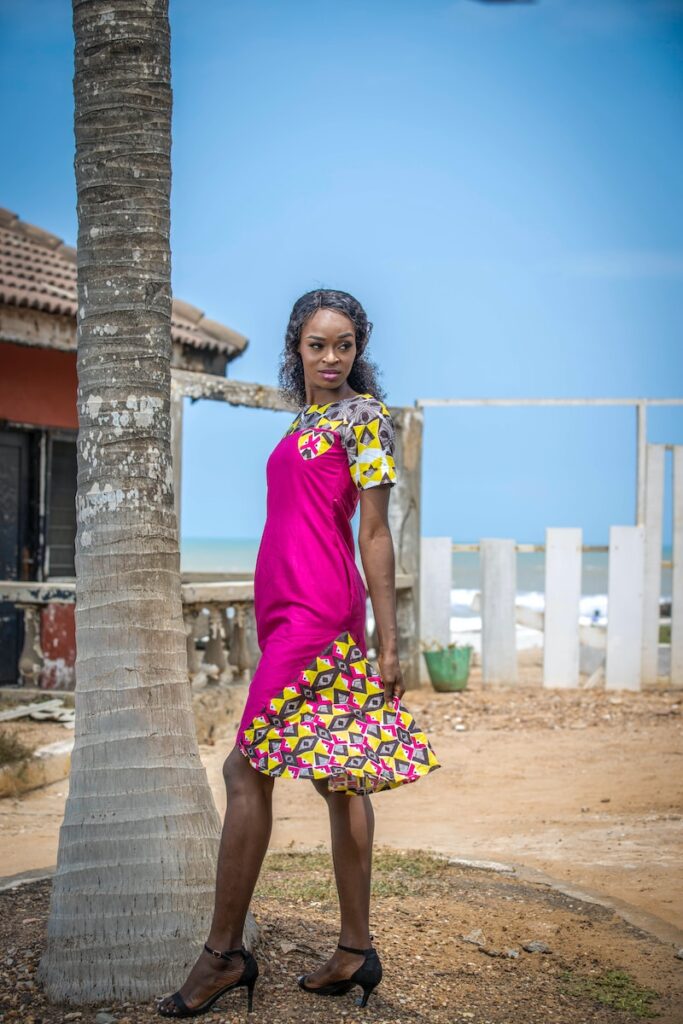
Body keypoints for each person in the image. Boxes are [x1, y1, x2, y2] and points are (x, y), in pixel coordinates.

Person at [157, 289, 440, 1018]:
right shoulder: (305, 421)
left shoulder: (363, 418)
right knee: (339, 778)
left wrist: (387, 639)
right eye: (317, 344)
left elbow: (374, 534)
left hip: (319, 615)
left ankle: (222, 955)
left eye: (343, 344)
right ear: (297, 347)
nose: (330, 357)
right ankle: (354, 949)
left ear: (358, 348)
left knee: (244, 768)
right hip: (287, 612)